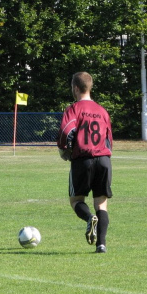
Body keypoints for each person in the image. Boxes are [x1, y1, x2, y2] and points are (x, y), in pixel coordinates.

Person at [57, 71, 113, 253]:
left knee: (76, 200)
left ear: (75, 88)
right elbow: (109, 139)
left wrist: (64, 150)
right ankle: (101, 245)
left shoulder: (73, 109)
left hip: (83, 159)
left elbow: (66, 131)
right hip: (104, 159)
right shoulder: (102, 110)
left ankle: (89, 218)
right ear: (90, 87)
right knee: (101, 203)